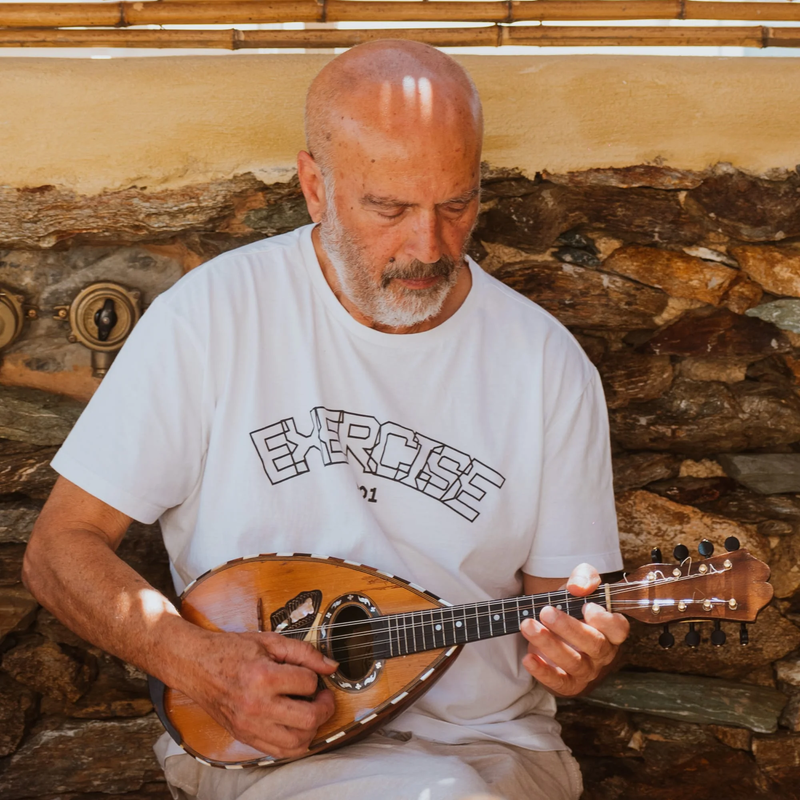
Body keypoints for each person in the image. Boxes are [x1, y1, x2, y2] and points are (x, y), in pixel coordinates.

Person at [23, 40, 629, 800]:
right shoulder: (213, 319)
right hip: (269, 748)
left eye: (455, 205)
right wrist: (204, 667)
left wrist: (580, 654)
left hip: (490, 747)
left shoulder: (546, 362)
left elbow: (564, 620)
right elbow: (58, 550)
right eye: (389, 208)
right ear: (314, 184)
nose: (428, 247)